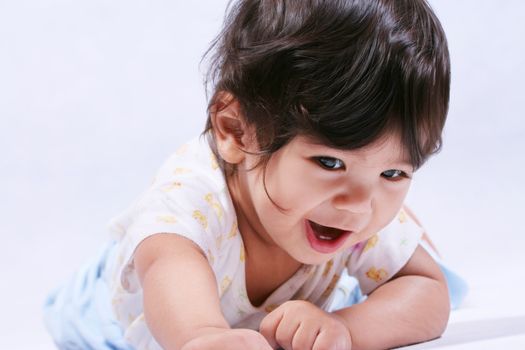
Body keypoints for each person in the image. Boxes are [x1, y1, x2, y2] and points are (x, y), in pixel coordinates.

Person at [44, 0, 468, 349]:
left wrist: (345, 328)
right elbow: (173, 283)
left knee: (418, 272)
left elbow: (429, 297)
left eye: (394, 173)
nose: (358, 204)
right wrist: (204, 336)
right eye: (329, 163)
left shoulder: (355, 209)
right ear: (236, 131)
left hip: (269, 303)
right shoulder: (190, 203)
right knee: (119, 283)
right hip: (118, 317)